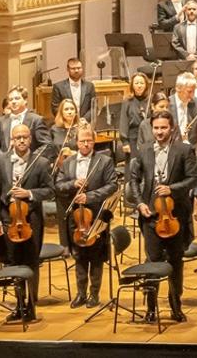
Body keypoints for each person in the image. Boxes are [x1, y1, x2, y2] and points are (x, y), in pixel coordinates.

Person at [130, 111, 197, 321]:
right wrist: (140, 203)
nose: (159, 132)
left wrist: (172, 189)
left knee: (176, 262)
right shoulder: (144, 150)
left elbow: (193, 179)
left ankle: (175, 306)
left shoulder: (184, 150)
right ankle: (150, 309)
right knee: (152, 262)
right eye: (156, 128)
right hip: (151, 217)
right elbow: (133, 179)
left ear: (172, 128)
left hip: (175, 216)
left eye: (163, 128)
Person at [0, 121, 51, 323]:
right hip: (9, 220)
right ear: (12, 140)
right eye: (18, 137)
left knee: (32, 262)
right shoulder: (2, 161)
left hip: (31, 220)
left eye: (25, 137)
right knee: (14, 262)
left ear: (30, 139)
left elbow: (50, 190)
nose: (22, 140)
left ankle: (31, 307)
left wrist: (29, 193)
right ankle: (19, 305)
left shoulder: (40, 163)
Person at [55, 122, 116, 307]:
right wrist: (72, 184)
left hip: (96, 214)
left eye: (89, 140)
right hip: (76, 217)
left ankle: (94, 295)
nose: (86, 144)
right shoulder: (68, 163)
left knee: (96, 257)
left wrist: (89, 196)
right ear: (76, 142)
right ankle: (80, 293)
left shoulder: (104, 161)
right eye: (83, 141)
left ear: (94, 141)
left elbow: (112, 185)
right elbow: (58, 185)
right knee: (79, 255)